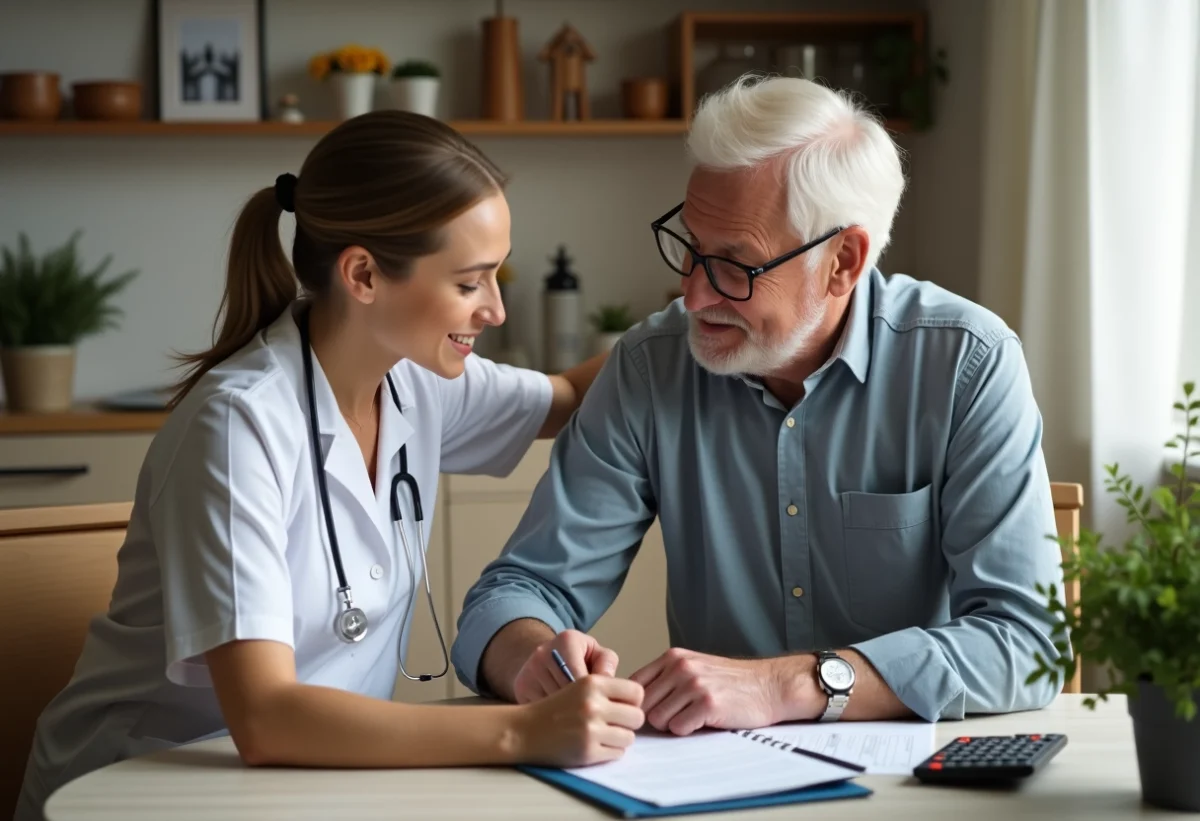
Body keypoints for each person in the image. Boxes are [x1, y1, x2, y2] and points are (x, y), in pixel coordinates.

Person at [14, 110, 646, 821]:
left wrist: (696, 312)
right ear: (363, 274)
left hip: (309, 789)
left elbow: (569, 396)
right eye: (470, 282)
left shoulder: (417, 382)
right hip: (143, 791)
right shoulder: (239, 426)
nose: (496, 309)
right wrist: (523, 730)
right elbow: (266, 717)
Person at [451, 75, 1069, 735]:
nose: (692, 295)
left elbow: (1027, 642)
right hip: (709, 783)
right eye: (690, 247)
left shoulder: (965, 364)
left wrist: (791, 683)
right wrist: (533, 657)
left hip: (914, 783)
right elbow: (517, 591)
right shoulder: (649, 368)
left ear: (843, 261)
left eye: (734, 266)